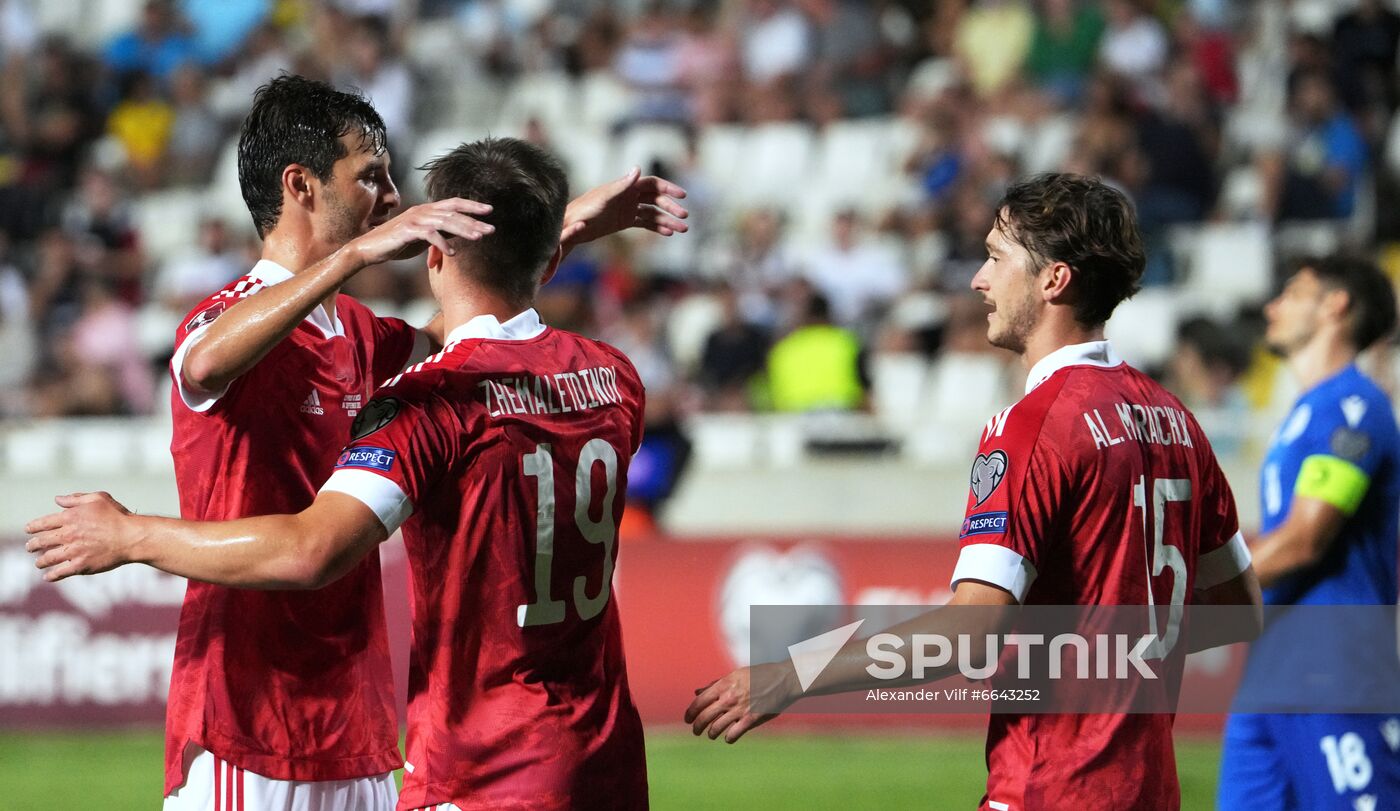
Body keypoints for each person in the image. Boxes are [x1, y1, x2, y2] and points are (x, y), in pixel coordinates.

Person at [56, 73, 683, 810]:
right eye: (371, 177)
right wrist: (354, 259)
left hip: (356, 724)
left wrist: (560, 224)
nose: (393, 200)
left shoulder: (361, 335)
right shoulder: (225, 318)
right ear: (302, 187)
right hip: (248, 721)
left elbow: (480, 311)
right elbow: (201, 362)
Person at [682, 173, 1263, 810]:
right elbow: (1238, 608)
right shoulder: (1176, 421)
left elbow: (968, 633)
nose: (977, 281)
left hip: (1049, 787)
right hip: (1148, 791)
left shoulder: (1033, 427)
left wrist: (787, 675)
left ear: (1053, 280)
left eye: (994, 257)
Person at [1218, 256, 1400, 810]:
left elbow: (1304, 540)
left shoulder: (1352, 409)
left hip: (1336, 667)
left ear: (1335, 306)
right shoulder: (1306, 412)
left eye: (1292, 293)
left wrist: (1183, 590)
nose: (1273, 307)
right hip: (1275, 668)